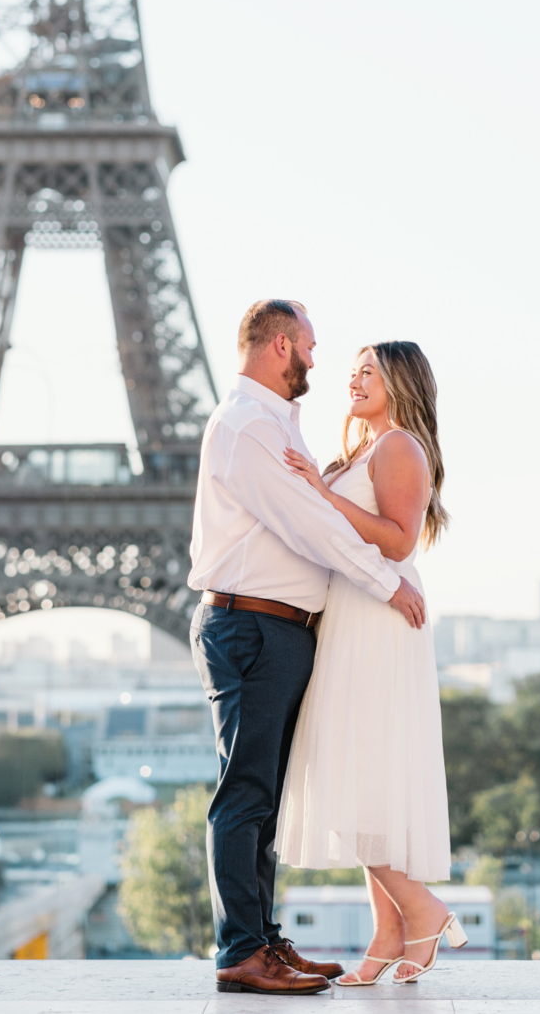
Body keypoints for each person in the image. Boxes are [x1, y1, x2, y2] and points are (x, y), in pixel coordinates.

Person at [189, 300, 427, 996]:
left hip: (277, 628)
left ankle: (260, 940)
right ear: (282, 346)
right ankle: (241, 949)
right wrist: (387, 585)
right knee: (246, 793)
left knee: (260, 796)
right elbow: (309, 528)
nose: (319, 363)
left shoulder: (272, 425)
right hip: (253, 625)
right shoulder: (245, 426)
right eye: (314, 349)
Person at [275, 340, 464, 984]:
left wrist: (322, 495)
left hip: (379, 620)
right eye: (352, 370)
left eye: (370, 372)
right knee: (366, 776)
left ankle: (423, 910)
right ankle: (389, 934)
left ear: (400, 382)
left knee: (351, 777)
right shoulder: (363, 449)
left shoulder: (398, 446)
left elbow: (398, 539)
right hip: (352, 617)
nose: (354, 380)